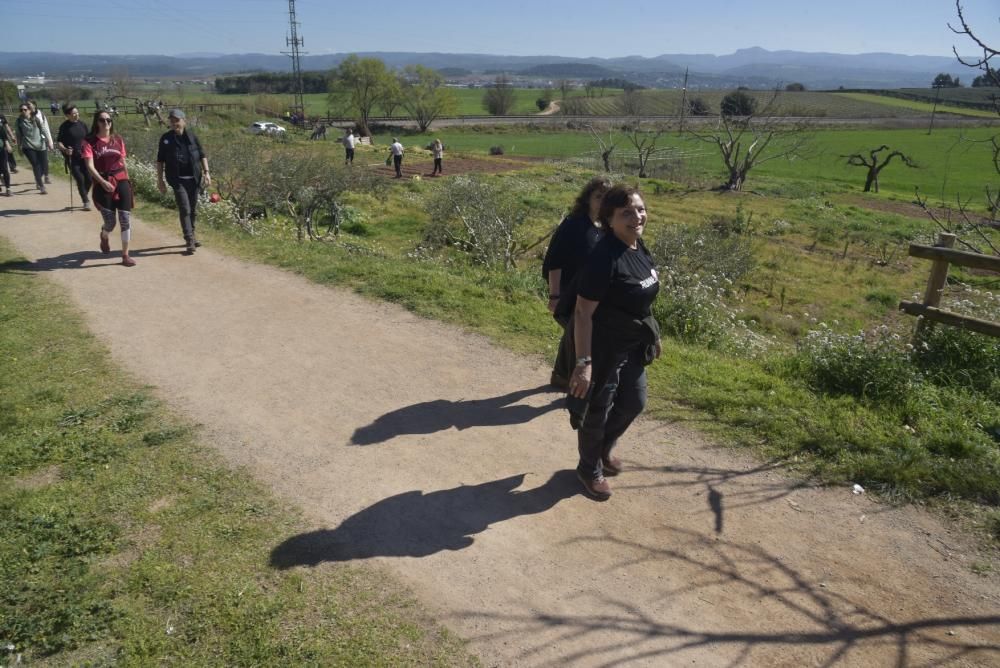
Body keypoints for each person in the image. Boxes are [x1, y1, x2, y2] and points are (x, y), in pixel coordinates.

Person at [568, 185, 661, 500]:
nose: (637, 216)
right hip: (603, 347)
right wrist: (583, 363)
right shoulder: (603, 257)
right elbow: (582, 313)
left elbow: (643, 299)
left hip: (633, 343)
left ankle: (602, 449)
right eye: (626, 213)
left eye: (639, 208)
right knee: (597, 411)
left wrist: (653, 333)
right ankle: (588, 466)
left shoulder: (637, 246)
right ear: (609, 220)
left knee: (634, 402)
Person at [542, 176, 611, 389]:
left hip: (589, 293)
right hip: (569, 293)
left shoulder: (603, 226)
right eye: (598, 196)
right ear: (587, 199)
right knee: (584, 335)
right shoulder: (574, 224)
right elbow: (555, 260)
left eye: (607, 197)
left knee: (574, 333)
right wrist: (554, 295)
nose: (602, 201)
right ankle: (583, 379)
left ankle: (561, 377)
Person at [82, 110, 136, 267]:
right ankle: (104, 235)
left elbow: (122, 160)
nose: (106, 123)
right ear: (96, 122)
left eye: (108, 120)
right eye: (102, 120)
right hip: (102, 183)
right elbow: (89, 166)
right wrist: (101, 182)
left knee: (125, 219)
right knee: (111, 222)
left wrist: (128, 179)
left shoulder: (118, 140)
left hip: (121, 180)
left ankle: (125, 255)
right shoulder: (89, 142)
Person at [156, 108, 211, 254]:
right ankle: (189, 239)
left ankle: (192, 234)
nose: (174, 123)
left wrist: (207, 173)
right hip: (177, 180)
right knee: (185, 208)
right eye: (172, 120)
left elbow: (202, 155)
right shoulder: (166, 139)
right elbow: (160, 161)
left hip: (194, 179)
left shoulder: (193, 137)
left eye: (177, 120)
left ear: (184, 121)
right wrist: (160, 180)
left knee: (192, 209)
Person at [56, 104, 92, 210]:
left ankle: (83, 193)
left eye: (77, 112)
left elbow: (89, 139)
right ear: (68, 115)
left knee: (89, 180)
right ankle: (86, 201)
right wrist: (65, 150)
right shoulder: (64, 126)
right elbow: (59, 142)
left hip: (84, 156)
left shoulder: (82, 124)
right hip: (72, 158)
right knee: (80, 179)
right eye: (73, 113)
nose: (76, 115)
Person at [14, 103, 48, 194]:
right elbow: (18, 135)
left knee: (44, 166)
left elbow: (43, 130)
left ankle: (38, 179)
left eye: (25, 109)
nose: (23, 111)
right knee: (36, 165)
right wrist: (19, 147)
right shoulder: (19, 121)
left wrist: (48, 141)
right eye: (21, 110)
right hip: (27, 146)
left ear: (29, 110)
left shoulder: (36, 119)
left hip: (41, 145)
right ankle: (41, 186)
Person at [26, 100, 53, 184]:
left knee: (44, 160)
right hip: (31, 142)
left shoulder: (40, 114)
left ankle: (46, 176)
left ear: (34, 105)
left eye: (29, 104)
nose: (28, 106)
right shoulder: (26, 115)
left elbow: (46, 128)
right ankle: (39, 179)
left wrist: (50, 141)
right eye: (27, 105)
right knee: (36, 163)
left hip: (42, 141)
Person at [0, 114, 14, 196]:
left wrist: (7, 144)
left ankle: (8, 189)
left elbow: (3, 134)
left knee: (5, 168)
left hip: (1, 149)